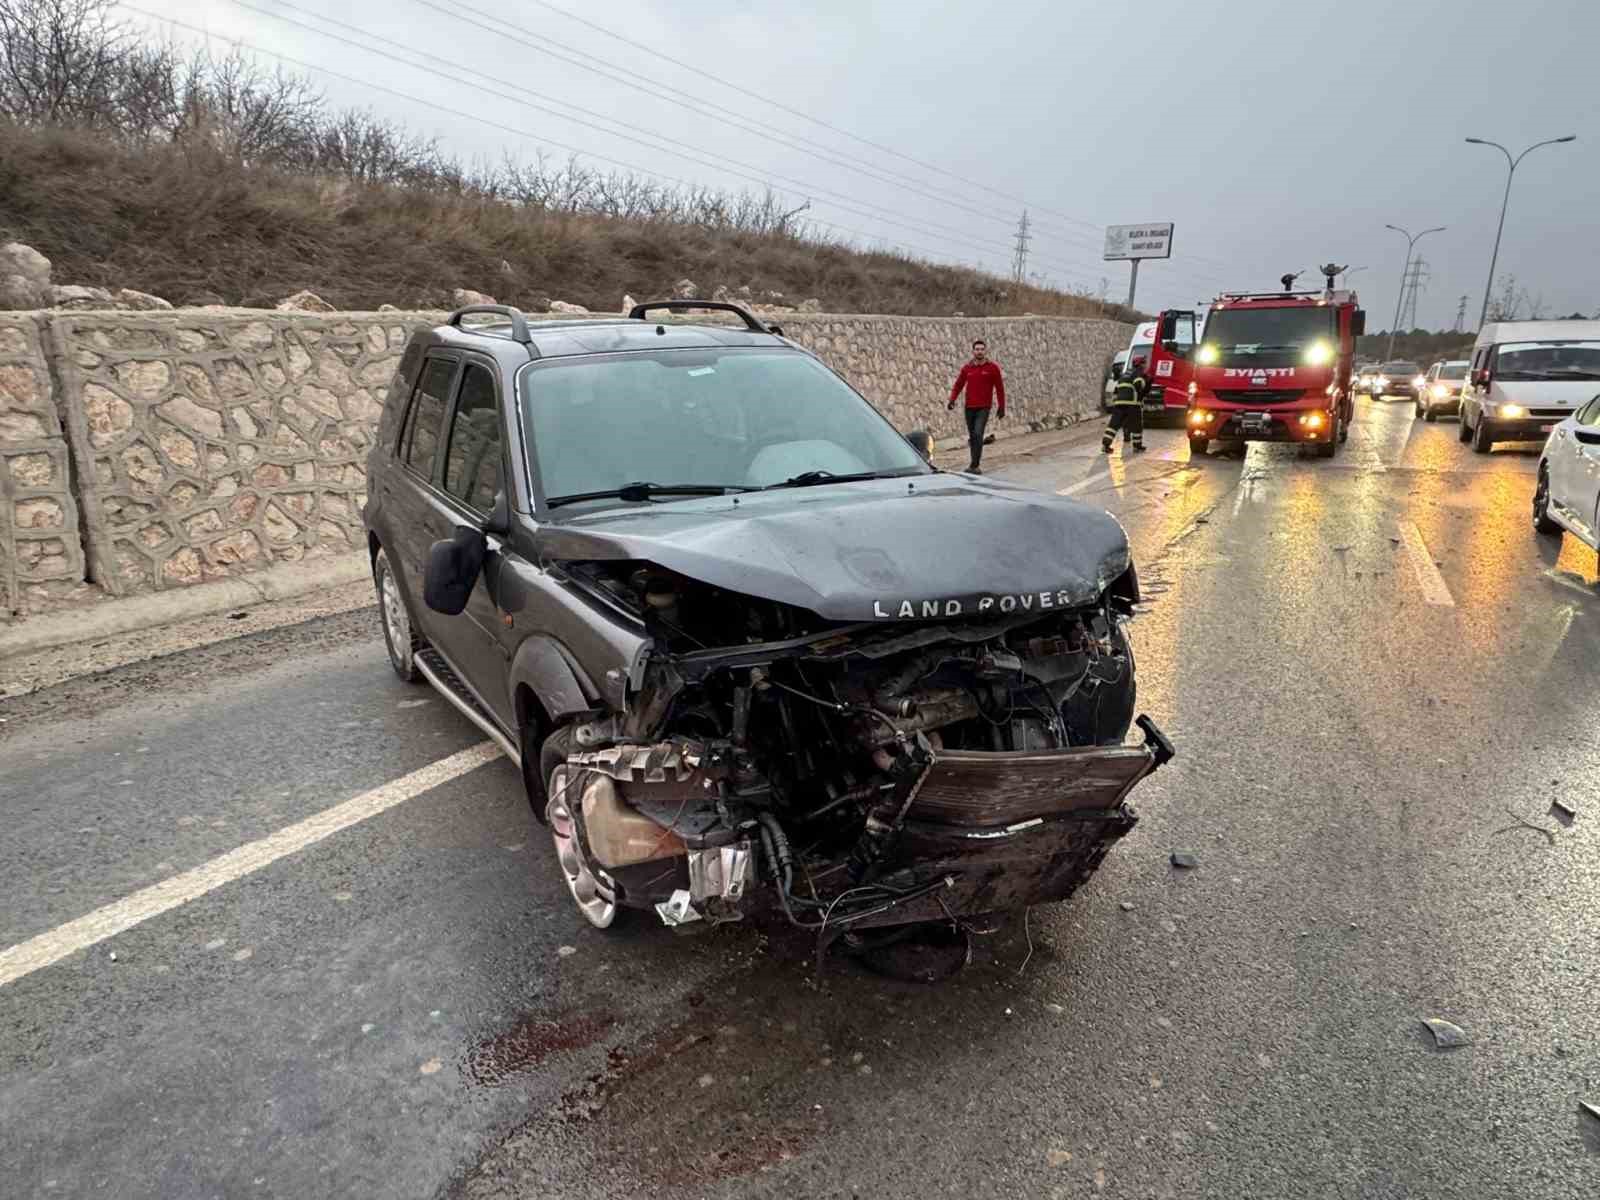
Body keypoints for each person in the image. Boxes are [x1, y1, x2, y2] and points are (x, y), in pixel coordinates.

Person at [947, 339, 1006, 474]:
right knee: (973, 436)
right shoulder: (967, 368)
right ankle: (973, 463)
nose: (979, 351)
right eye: (977, 349)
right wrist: (952, 400)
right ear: (973, 351)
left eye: (981, 349)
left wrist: (1002, 407)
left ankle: (975, 465)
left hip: (984, 407)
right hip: (969, 407)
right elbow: (958, 385)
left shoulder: (992, 368)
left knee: (978, 433)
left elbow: (1000, 388)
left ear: (985, 351)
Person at [1103, 356, 1148, 453]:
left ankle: (1105, 445)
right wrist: (1144, 386)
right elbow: (1138, 384)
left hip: (1119, 404)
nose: (1145, 365)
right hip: (1132, 404)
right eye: (1144, 363)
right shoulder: (1138, 372)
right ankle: (1137, 446)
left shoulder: (1124, 374)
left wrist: (1115, 403)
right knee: (1137, 426)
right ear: (1140, 364)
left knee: (1113, 425)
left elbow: (1116, 390)